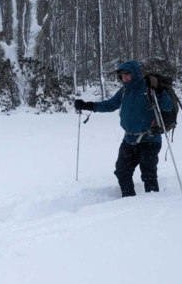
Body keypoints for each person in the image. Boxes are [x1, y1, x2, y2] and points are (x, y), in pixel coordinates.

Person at [74, 60, 173, 197]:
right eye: (122, 76)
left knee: (148, 174)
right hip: (129, 139)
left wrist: (160, 92)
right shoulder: (124, 90)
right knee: (122, 171)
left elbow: (168, 107)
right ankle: (128, 201)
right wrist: (88, 106)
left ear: (135, 73)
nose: (125, 78)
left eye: (128, 74)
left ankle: (152, 204)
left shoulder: (149, 88)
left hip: (150, 139)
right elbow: (110, 105)